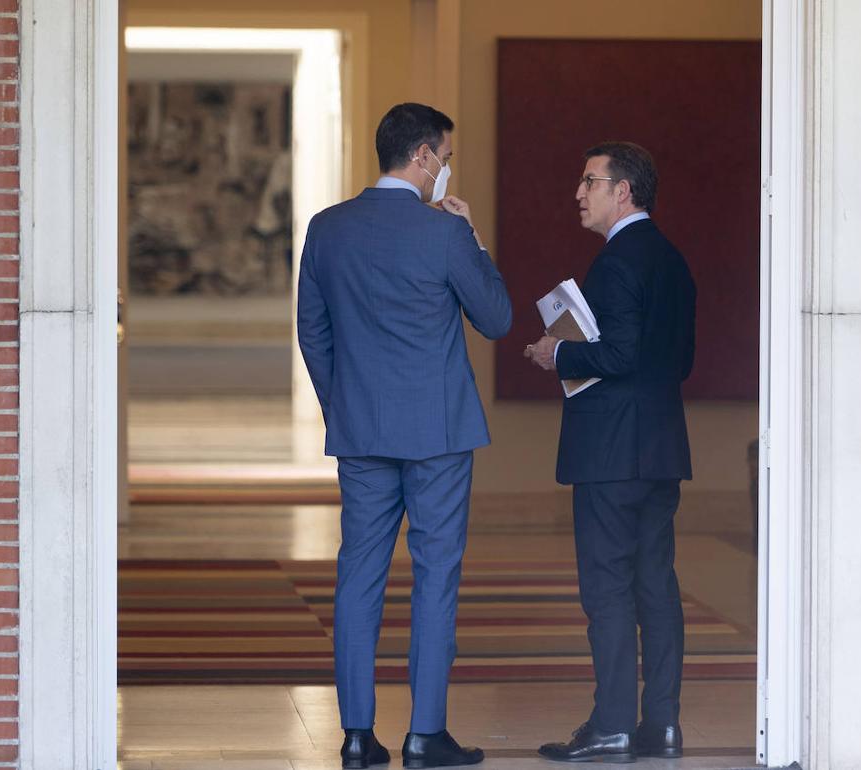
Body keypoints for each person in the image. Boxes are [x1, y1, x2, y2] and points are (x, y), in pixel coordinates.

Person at [297, 102, 512, 770]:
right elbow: (497, 318)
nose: (445, 170)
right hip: (439, 431)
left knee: (358, 575)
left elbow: (313, 329)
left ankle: (358, 736)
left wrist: (346, 406)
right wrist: (472, 234)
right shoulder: (444, 235)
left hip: (362, 432)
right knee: (434, 576)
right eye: (443, 157)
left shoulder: (327, 228)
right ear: (421, 155)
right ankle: (425, 734)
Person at [525, 141, 696, 763]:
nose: (580, 192)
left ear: (623, 191)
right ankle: (663, 725)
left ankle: (613, 724)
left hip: (611, 455)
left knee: (607, 591)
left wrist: (558, 353)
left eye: (590, 181)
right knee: (657, 586)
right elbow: (676, 361)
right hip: (660, 450)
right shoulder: (672, 260)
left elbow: (618, 354)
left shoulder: (618, 261)